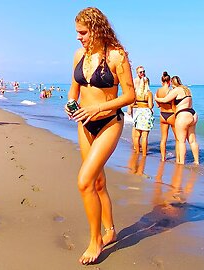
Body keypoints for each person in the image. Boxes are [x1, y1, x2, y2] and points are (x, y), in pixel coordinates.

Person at [65, 7, 135, 264]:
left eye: (82, 32)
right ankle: (110, 231)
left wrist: (99, 107)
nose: (78, 37)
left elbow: (130, 96)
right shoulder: (78, 55)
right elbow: (74, 90)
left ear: (96, 29)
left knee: (84, 181)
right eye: (77, 33)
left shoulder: (116, 56)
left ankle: (95, 242)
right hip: (84, 124)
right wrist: (71, 103)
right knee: (97, 183)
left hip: (109, 122)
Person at [155, 76, 199, 164]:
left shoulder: (176, 90)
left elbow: (164, 100)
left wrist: (156, 98)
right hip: (193, 114)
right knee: (192, 140)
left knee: (181, 141)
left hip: (183, 115)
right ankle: (196, 161)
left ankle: (181, 162)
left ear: (172, 83)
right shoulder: (187, 89)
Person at [129, 76, 154, 156]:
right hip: (146, 113)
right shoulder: (149, 93)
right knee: (144, 136)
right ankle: (144, 154)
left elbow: (132, 104)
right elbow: (150, 106)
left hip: (138, 112)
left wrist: (139, 105)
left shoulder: (136, 93)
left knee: (137, 135)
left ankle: (136, 152)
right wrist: (148, 105)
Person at [156, 71, 176, 161]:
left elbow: (158, 105)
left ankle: (163, 158)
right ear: (169, 82)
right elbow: (173, 105)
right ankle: (178, 159)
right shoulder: (171, 91)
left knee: (163, 138)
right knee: (178, 139)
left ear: (162, 81)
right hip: (171, 114)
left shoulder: (158, 91)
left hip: (162, 115)